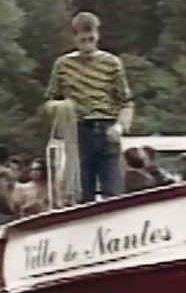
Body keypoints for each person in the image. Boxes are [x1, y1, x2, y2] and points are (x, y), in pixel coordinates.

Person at [45, 11, 135, 203]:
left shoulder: (111, 63)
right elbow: (50, 100)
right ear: (75, 38)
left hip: (107, 130)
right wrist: (61, 108)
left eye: (91, 38)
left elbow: (126, 101)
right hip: (78, 133)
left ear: (97, 36)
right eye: (83, 39)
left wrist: (119, 127)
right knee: (82, 195)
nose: (87, 43)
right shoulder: (63, 65)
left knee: (114, 195)